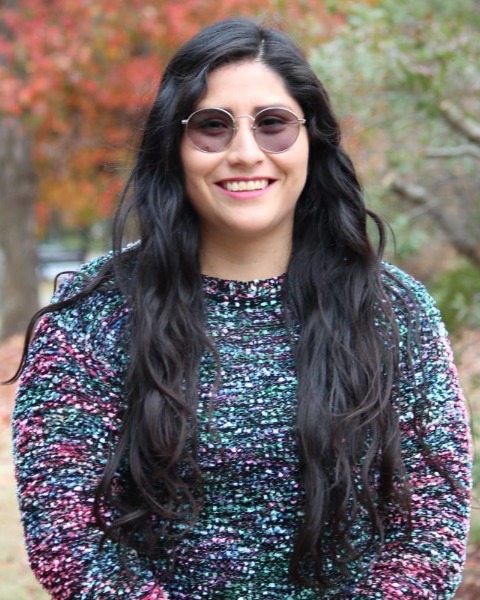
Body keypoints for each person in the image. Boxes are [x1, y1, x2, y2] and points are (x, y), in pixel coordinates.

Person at [11, 17, 472, 600]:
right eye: (213, 126)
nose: (246, 153)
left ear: (311, 140)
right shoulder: (93, 313)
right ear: (175, 146)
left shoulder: (394, 309)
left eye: (273, 124)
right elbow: (67, 536)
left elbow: (430, 527)